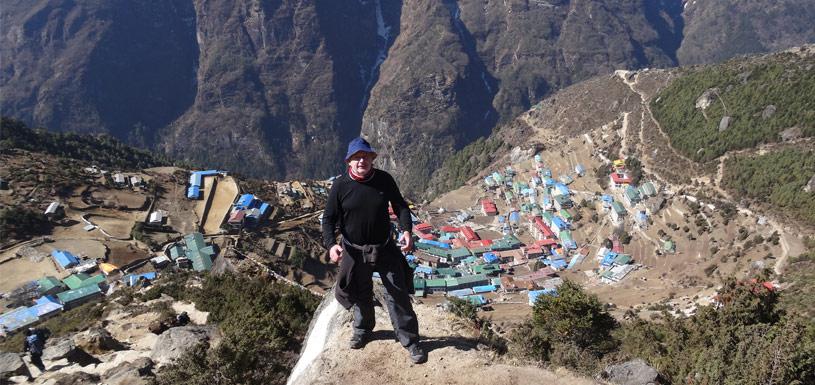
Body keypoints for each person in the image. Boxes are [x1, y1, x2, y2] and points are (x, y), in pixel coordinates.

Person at [322, 137, 427, 364]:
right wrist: (331, 244)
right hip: (353, 249)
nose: (362, 161)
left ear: (372, 159)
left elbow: (400, 206)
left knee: (397, 292)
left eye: (366, 156)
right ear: (349, 162)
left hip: (384, 246)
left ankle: (410, 340)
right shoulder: (341, 186)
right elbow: (328, 218)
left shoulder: (384, 180)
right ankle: (363, 330)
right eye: (357, 157)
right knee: (359, 291)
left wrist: (406, 231)